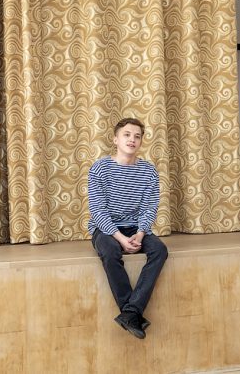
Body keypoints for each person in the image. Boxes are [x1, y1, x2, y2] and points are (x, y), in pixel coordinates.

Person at [87, 117, 168, 339]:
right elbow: (98, 211)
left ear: (141, 142)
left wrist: (140, 234)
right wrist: (121, 239)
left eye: (137, 136)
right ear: (116, 139)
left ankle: (130, 312)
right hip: (107, 229)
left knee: (160, 250)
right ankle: (131, 312)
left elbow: (149, 207)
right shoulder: (100, 168)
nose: (132, 139)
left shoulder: (148, 171)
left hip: (136, 227)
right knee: (110, 251)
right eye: (127, 135)